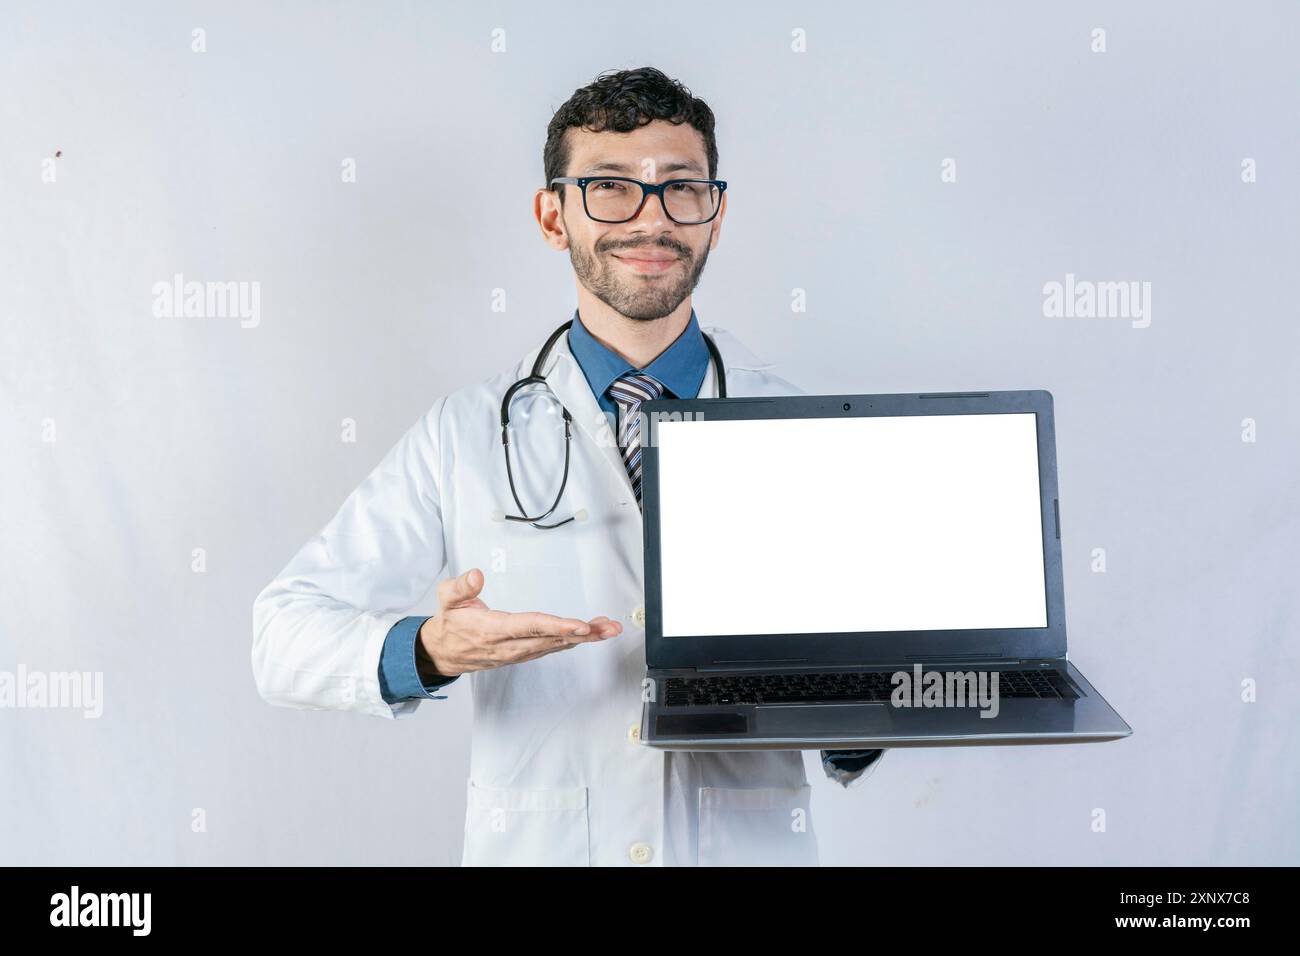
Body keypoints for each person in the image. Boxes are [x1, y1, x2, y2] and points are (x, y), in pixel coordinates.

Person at [252, 66, 884, 866]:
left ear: (715, 214)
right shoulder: (466, 433)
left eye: (679, 188)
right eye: (610, 187)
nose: (650, 219)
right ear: (553, 216)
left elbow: (853, 723)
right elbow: (281, 634)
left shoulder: (804, 431)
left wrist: (874, 698)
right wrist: (430, 650)